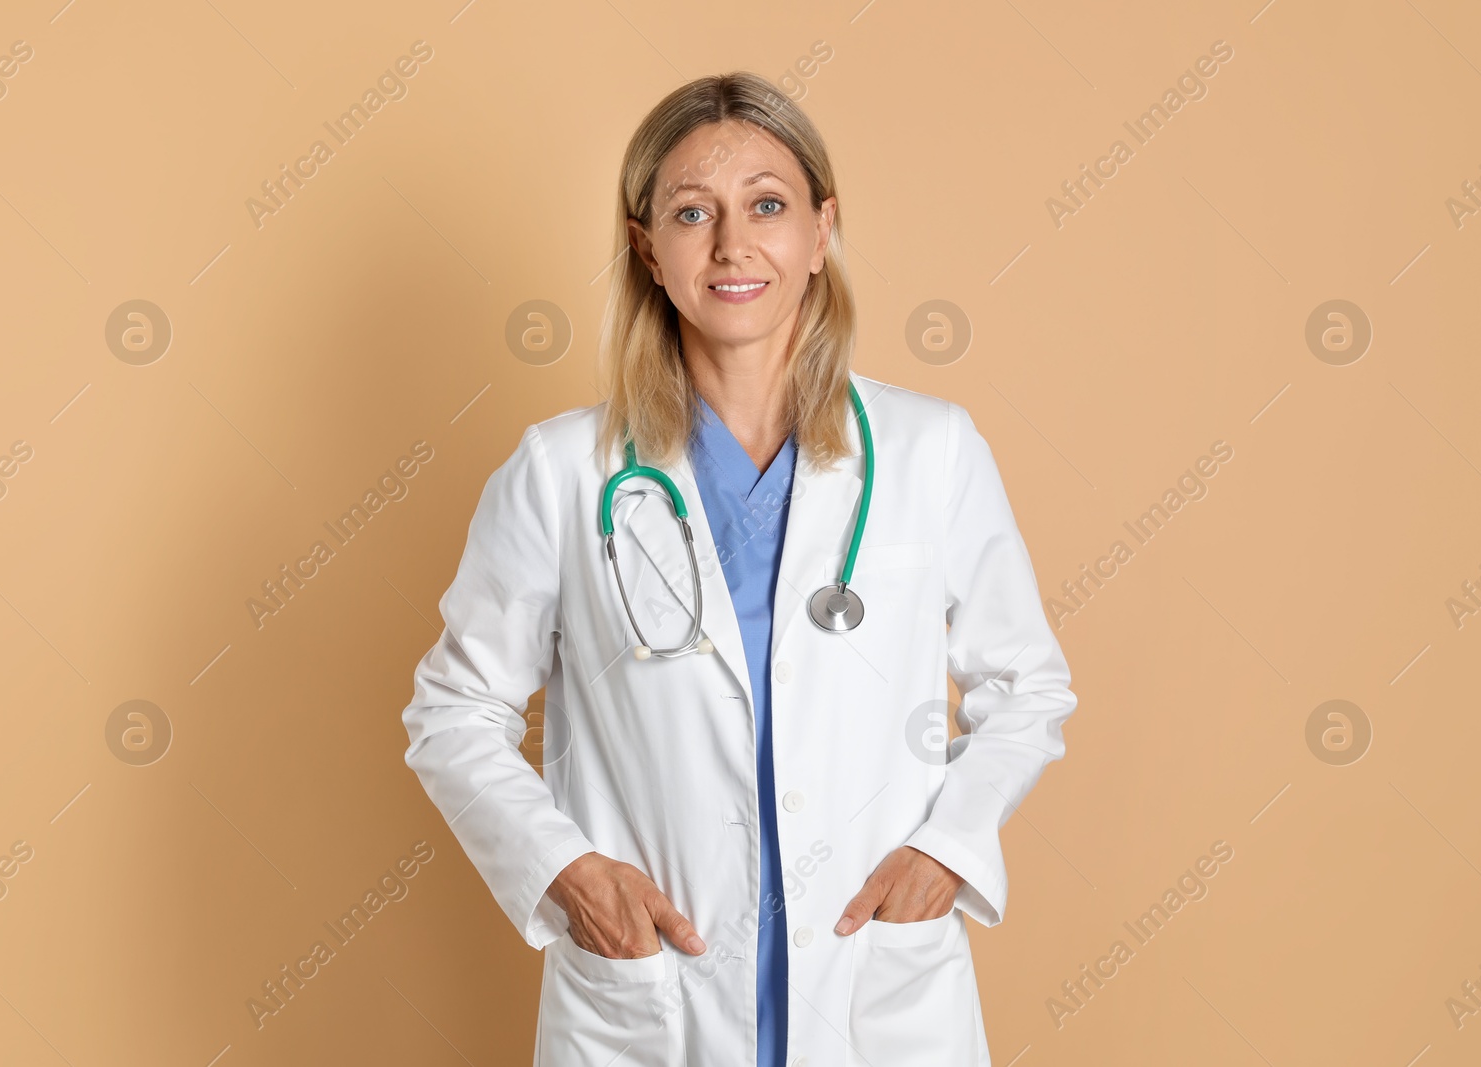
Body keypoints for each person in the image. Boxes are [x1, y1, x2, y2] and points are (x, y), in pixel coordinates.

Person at [401, 70, 1078, 1067]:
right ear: (646, 246)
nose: (732, 244)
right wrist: (565, 870)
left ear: (819, 231)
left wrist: (946, 851)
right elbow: (452, 712)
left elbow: (1027, 689)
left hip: (871, 979)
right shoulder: (560, 472)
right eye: (691, 212)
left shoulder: (930, 450)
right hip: (653, 990)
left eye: (767, 204)